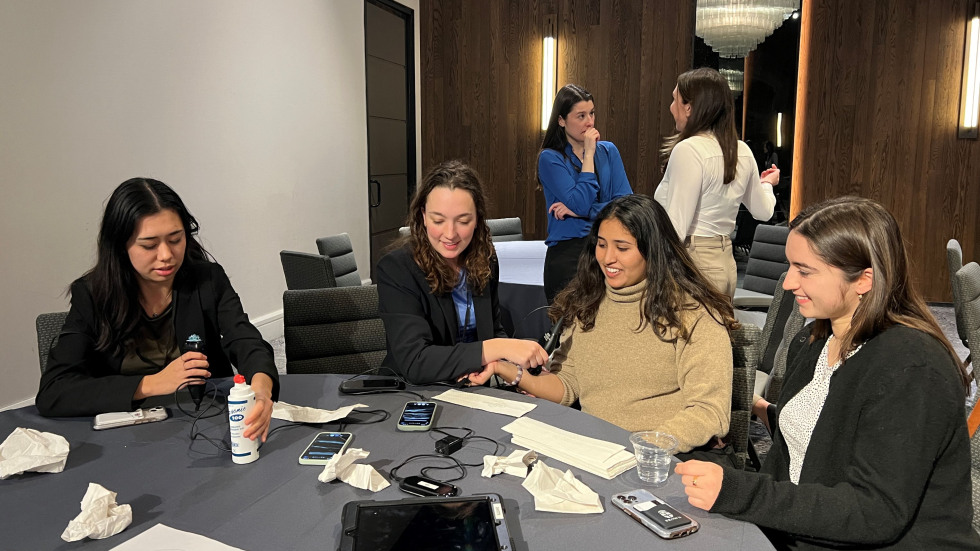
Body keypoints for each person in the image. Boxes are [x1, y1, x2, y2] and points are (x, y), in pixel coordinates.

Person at [676, 197, 980, 549]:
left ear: (864, 279)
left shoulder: (914, 367)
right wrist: (767, 411)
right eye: (790, 266)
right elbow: (826, 437)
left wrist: (737, 491)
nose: (788, 283)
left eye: (804, 271)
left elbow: (874, 513)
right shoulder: (816, 340)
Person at [467, 195, 737, 456]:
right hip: (594, 450)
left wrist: (642, 449)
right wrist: (505, 369)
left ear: (653, 251)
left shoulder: (694, 314)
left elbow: (708, 411)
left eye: (622, 248)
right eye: (601, 244)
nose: (608, 258)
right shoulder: (587, 303)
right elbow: (567, 385)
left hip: (662, 457)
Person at [36, 178, 279, 441]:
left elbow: (246, 341)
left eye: (176, 239)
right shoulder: (93, 295)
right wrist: (151, 383)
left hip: (204, 423)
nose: (166, 255)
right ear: (121, 246)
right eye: (149, 245)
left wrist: (261, 390)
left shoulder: (207, 280)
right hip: (126, 436)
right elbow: (54, 391)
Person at [377, 160, 548, 385]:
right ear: (423, 216)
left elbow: (493, 330)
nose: (450, 234)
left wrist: (518, 371)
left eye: (463, 221)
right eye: (438, 220)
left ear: (477, 219)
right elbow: (416, 362)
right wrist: (500, 347)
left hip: (473, 389)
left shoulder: (484, 260)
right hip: (414, 392)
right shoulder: (397, 269)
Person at [655, 67, 779, 298]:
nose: (671, 108)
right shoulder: (741, 150)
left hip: (693, 264)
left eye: (675, 100)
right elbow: (763, 212)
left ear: (689, 107)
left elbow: (676, 228)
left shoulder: (688, 150)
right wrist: (767, 185)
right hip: (725, 264)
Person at [538, 83, 633, 304]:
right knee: (569, 322)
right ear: (561, 120)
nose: (589, 122)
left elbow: (626, 205)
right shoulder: (550, 158)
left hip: (607, 249)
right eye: (581, 116)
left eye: (591, 113)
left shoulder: (609, 151)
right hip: (569, 254)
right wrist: (588, 155)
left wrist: (582, 212)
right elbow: (580, 203)